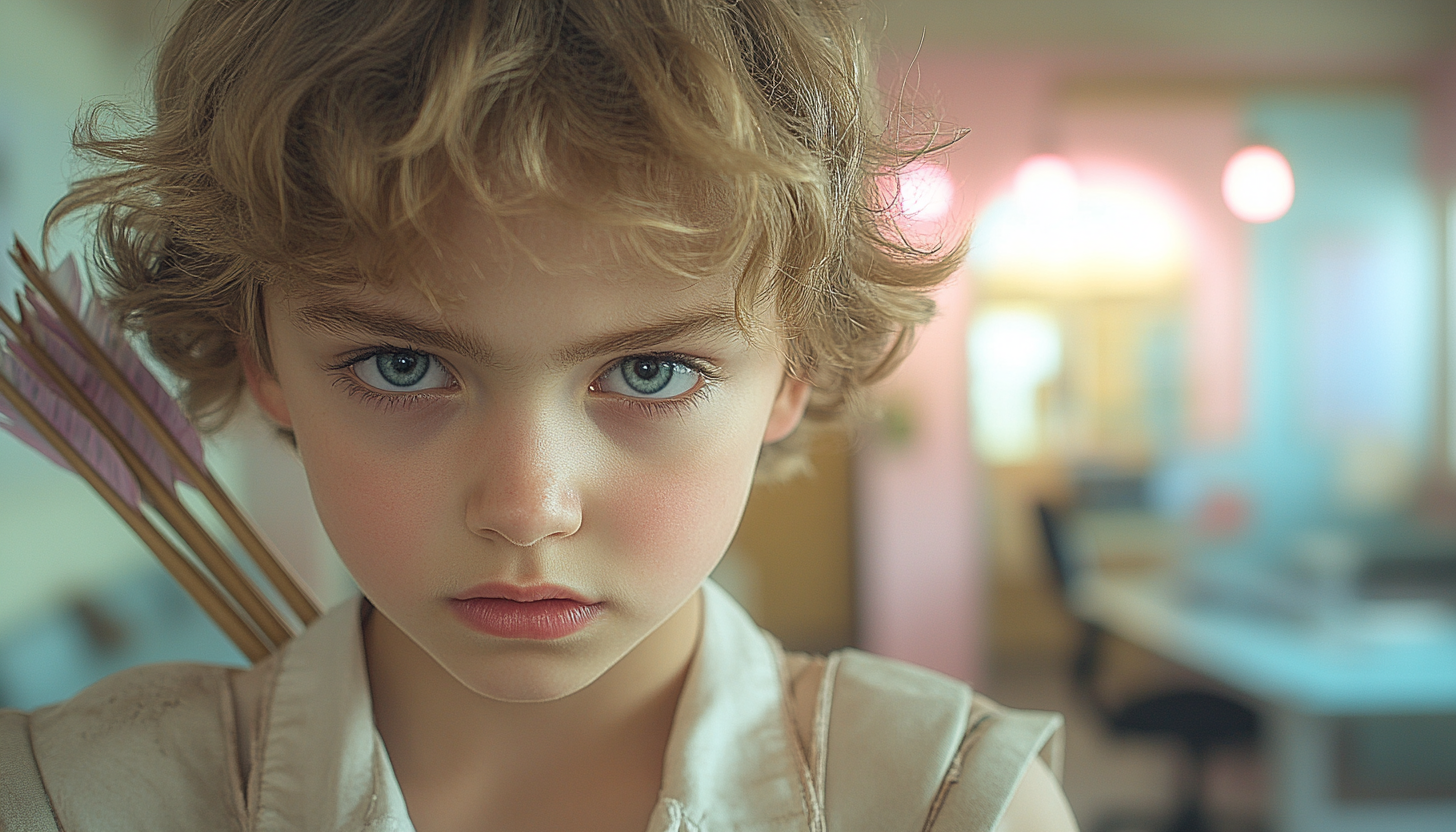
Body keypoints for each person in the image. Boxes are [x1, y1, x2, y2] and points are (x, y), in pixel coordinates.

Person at [0, 1, 1078, 830]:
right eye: (403, 363)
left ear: (791, 374)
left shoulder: (951, 805)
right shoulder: (71, 797)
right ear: (263, 358)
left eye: (651, 371)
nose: (526, 509)